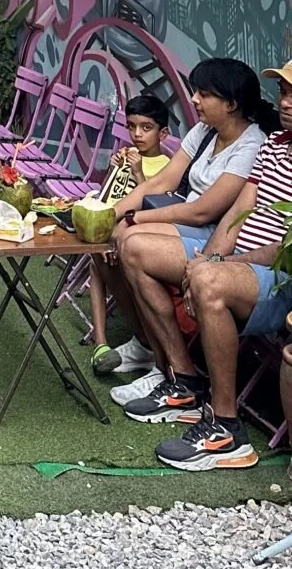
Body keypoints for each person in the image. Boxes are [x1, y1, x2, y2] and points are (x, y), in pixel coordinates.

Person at [105, 59, 274, 425]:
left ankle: (179, 372)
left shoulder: (253, 144)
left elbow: (202, 212)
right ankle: (150, 350)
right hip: (188, 220)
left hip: (205, 228)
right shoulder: (205, 131)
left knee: (129, 241)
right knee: (111, 239)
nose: (194, 99)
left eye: (204, 93)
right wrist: (112, 212)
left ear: (230, 103)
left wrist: (136, 218)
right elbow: (159, 183)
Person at [152, 62, 292, 469]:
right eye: (282, 92)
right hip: (243, 268)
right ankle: (180, 382)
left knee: (210, 280)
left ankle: (227, 428)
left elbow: (286, 249)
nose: (284, 102)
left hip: (280, 278)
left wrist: (221, 266)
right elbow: (239, 212)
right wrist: (210, 259)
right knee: (202, 271)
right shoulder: (275, 145)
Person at [88, 92, 171, 376]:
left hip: (135, 235)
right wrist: (115, 169)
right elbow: (109, 195)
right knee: (96, 259)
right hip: (108, 228)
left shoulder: (166, 167)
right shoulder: (124, 157)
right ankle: (101, 343)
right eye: (132, 126)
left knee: (97, 260)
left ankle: (111, 343)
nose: (137, 134)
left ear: (164, 133)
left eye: (146, 128)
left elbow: (153, 202)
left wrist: (138, 173)